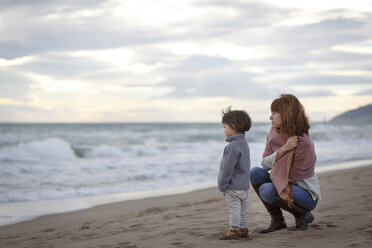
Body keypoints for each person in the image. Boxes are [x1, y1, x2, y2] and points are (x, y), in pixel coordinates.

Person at [250, 94, 321, 233]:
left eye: (274, 113)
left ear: (287, 114)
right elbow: (265, 164)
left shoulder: (303, 142)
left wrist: (278, 156)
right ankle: (278, 221)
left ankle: (303, 215)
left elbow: (291, 175)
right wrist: (284, 149)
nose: (270, 117)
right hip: (283, 182)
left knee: (267, 190)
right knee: (255, 173)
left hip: (305, 194)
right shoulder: (273, 133)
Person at [218, 106, 252, 240]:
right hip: (245, 186)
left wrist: (222, 185)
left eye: (225, 127)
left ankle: (233, 231)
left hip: (233, 187)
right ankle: (243, 229)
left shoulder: (231, 147)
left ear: (233, 127)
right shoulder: (244, 143)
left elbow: (227, 169)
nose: (224, 130)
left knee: (234, 210)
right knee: (244, 210)